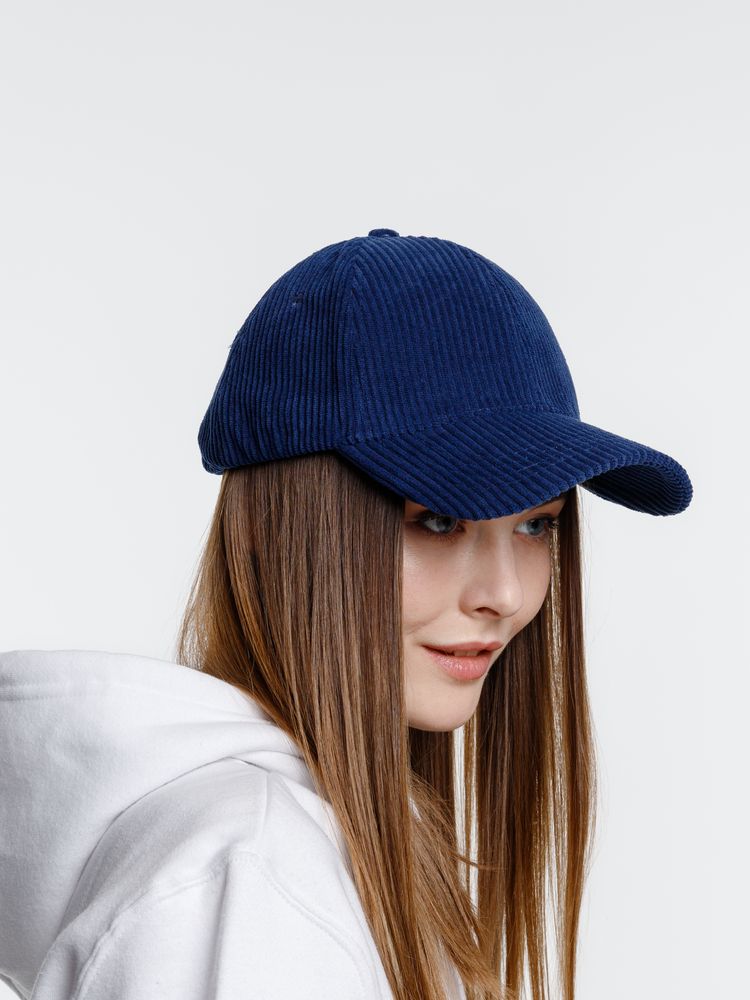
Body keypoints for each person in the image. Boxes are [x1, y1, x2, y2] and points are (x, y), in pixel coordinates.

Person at [0, 228, 693, 1000]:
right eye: (438, 521)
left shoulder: (311, 850)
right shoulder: (255, 876)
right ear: (273, 530)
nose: (505, 593)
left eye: (536, 525)